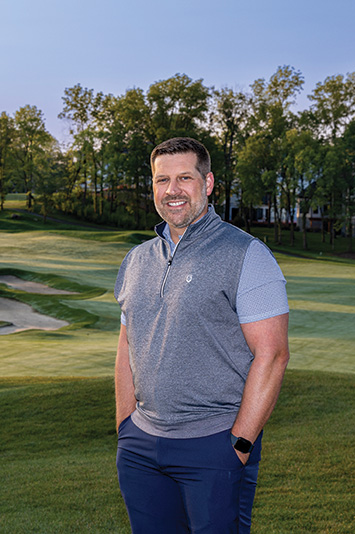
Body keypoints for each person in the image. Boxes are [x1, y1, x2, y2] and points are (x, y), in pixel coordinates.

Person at [114, 137, 290, 533]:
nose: (172, 190)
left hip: (214, 443)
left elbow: (273, 355)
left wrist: (239, 445)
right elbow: (127, 343)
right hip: (141, 445)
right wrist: (125, 426)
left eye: (184, 178)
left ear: (208, 183)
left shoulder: (247, 254)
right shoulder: (137, 259)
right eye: (162, 180)